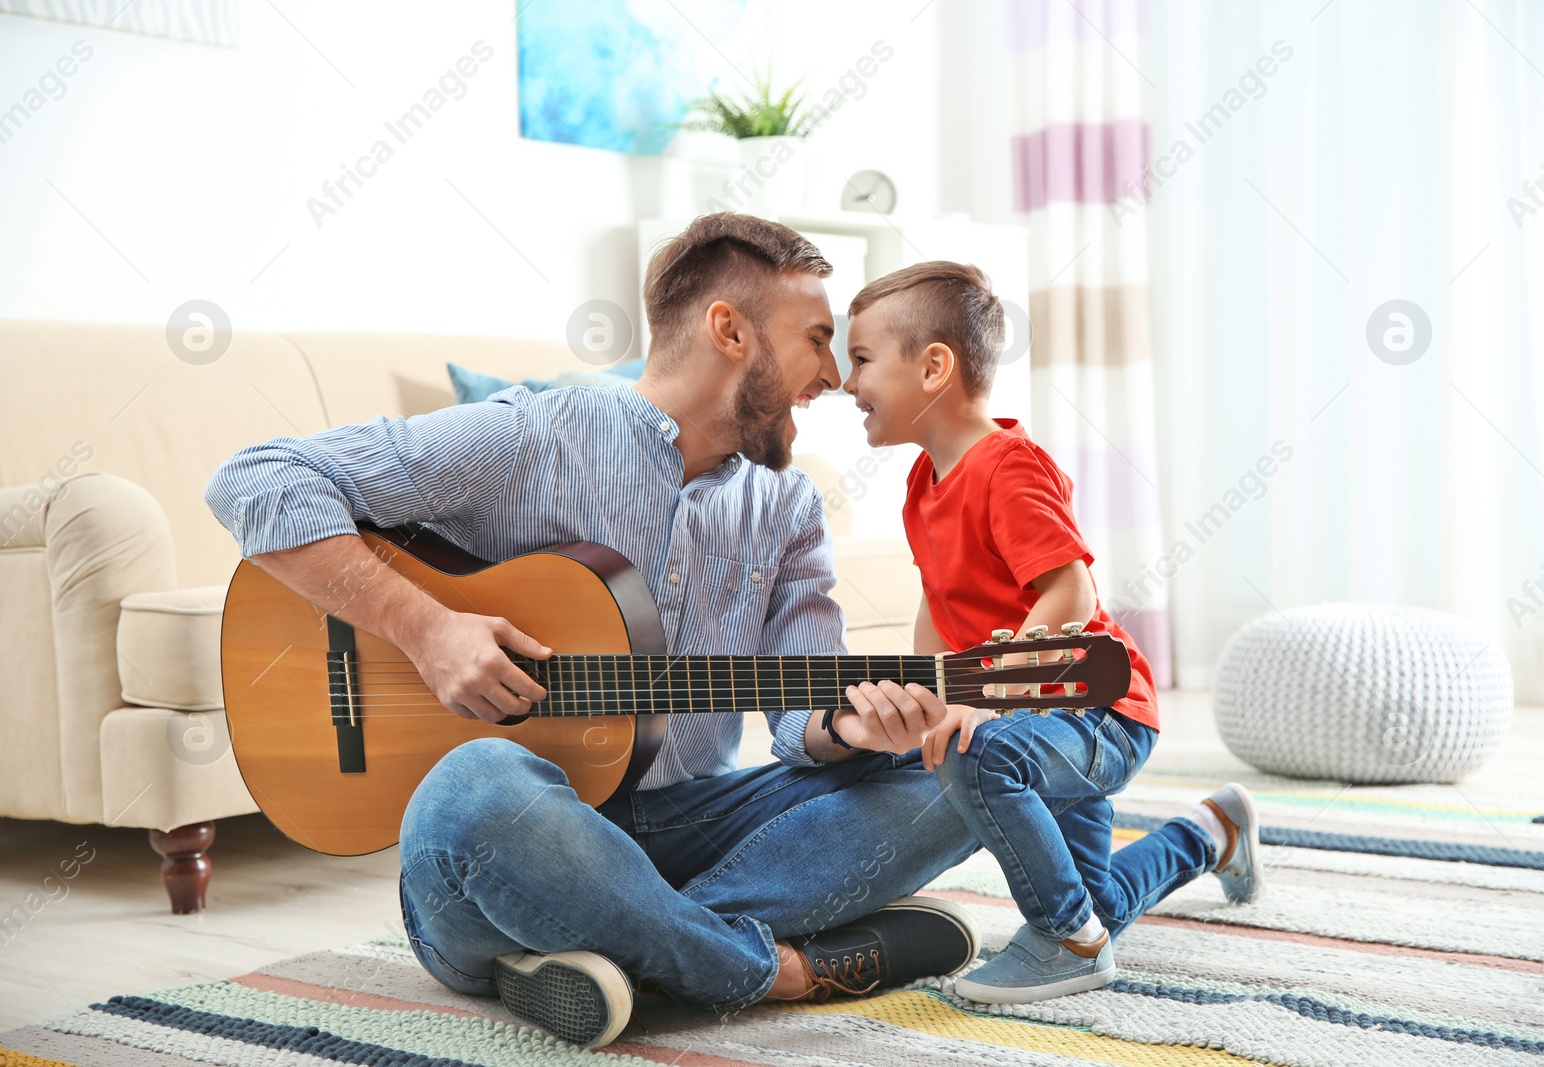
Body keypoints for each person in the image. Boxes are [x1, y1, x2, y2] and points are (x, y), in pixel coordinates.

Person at [204, 214, 984, 1050]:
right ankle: (776, 969)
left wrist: (847, 725)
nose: (834, 376)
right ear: (729, 330)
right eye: (818, 340)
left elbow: (800, 718)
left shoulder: (786, 508)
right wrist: (427, 629)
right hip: (519, 827)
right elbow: (256, 479)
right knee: (475, 787)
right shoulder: (533, 436)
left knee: (969, 766)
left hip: (693, 827)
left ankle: (590, 946)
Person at [836, 261, 1266, 1005]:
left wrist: (985, 699)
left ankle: (1066, 941)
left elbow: (1071, 587)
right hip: (1041, 717)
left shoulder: (1008, 466)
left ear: (933, 366)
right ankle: (1211, 831)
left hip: (1098, 708)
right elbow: (942, 603)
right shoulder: (921, 484)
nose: (848, 382)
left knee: (979, 754)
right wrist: (929, 693)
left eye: (863, 359)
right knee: (1094, 895)